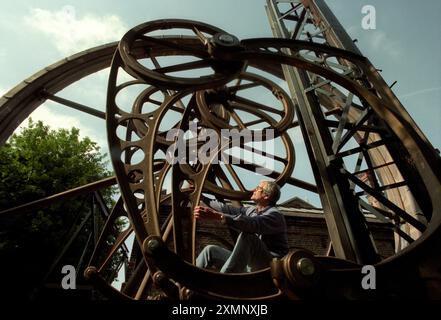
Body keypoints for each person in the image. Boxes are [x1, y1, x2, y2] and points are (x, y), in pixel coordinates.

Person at [194, 180, 288, 273]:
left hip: (268, 266)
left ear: (266, 196)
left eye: (258, 188)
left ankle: (224, 281)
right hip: (249, 262)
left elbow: (251, 224)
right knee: (210, 251)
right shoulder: (251, 210)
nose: (253, 190)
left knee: (248, 237)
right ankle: (188, 283)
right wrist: (203, 198)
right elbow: (226, 209)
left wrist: (218, 217)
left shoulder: (275, 216)